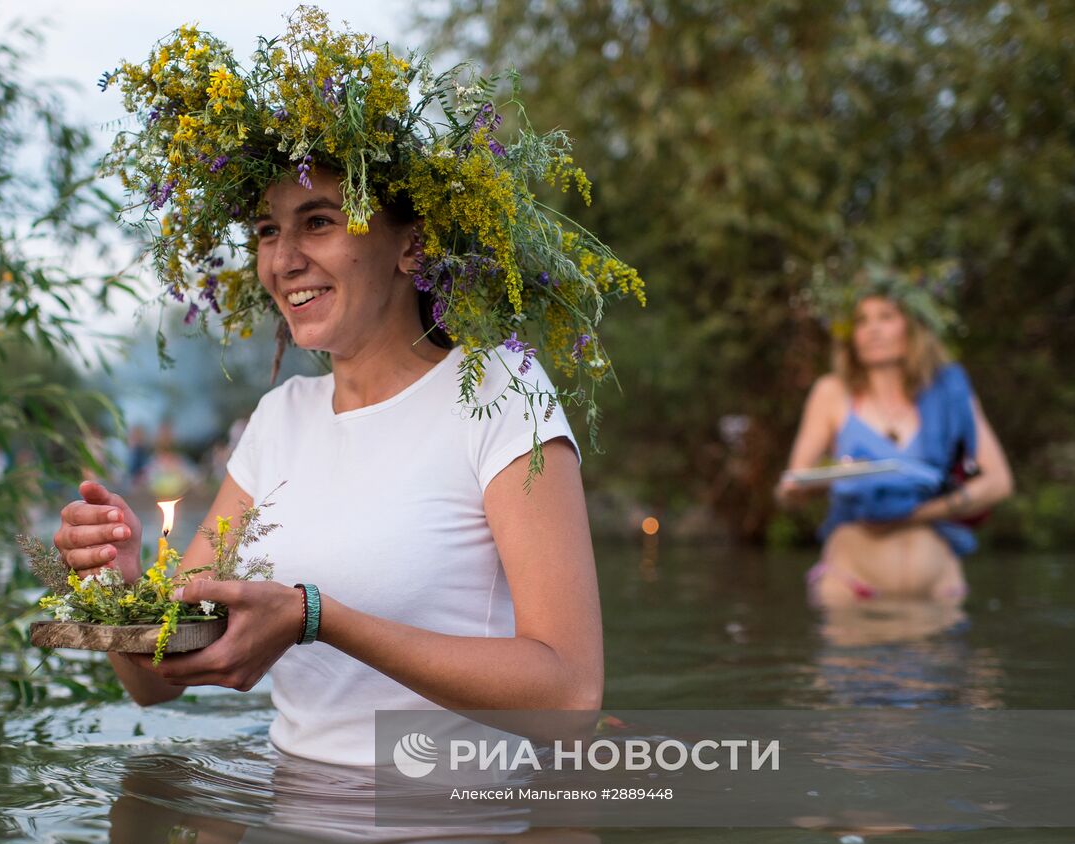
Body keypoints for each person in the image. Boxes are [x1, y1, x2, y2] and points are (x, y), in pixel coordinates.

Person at [51, 12, 640, 767]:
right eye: (267, 231)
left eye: (318, 221)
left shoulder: (501, 393)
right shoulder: (279, 420)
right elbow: (158, 686)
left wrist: (316, 618)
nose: (284, 259)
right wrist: (119, 589)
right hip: (298, 842)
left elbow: (567, 698)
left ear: (412, 245)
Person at [777, 273, 1013, 607]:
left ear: (912, 327)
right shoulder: (831, 393)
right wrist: (816, 483)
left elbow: (999, 482)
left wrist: (915, 514)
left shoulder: (950, 392)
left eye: (886, 317)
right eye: (861, 321)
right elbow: (792, 487)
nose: (872, 330)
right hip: (852, 580)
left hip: (936, 584)